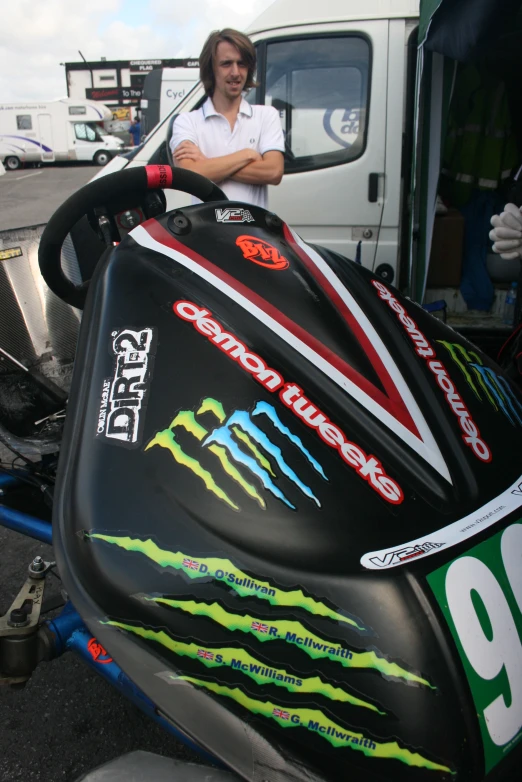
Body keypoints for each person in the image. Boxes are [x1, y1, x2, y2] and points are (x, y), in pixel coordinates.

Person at [169, 28, 284, 207]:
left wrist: (206, 164)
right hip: (206, 233)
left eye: (242, 63)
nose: (236, 72)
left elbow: (274, 172)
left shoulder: (266, 115)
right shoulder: (186, 121)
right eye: (226, 63)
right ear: (211, 69)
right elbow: (189, 176)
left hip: (253, 232)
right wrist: (246, 155)